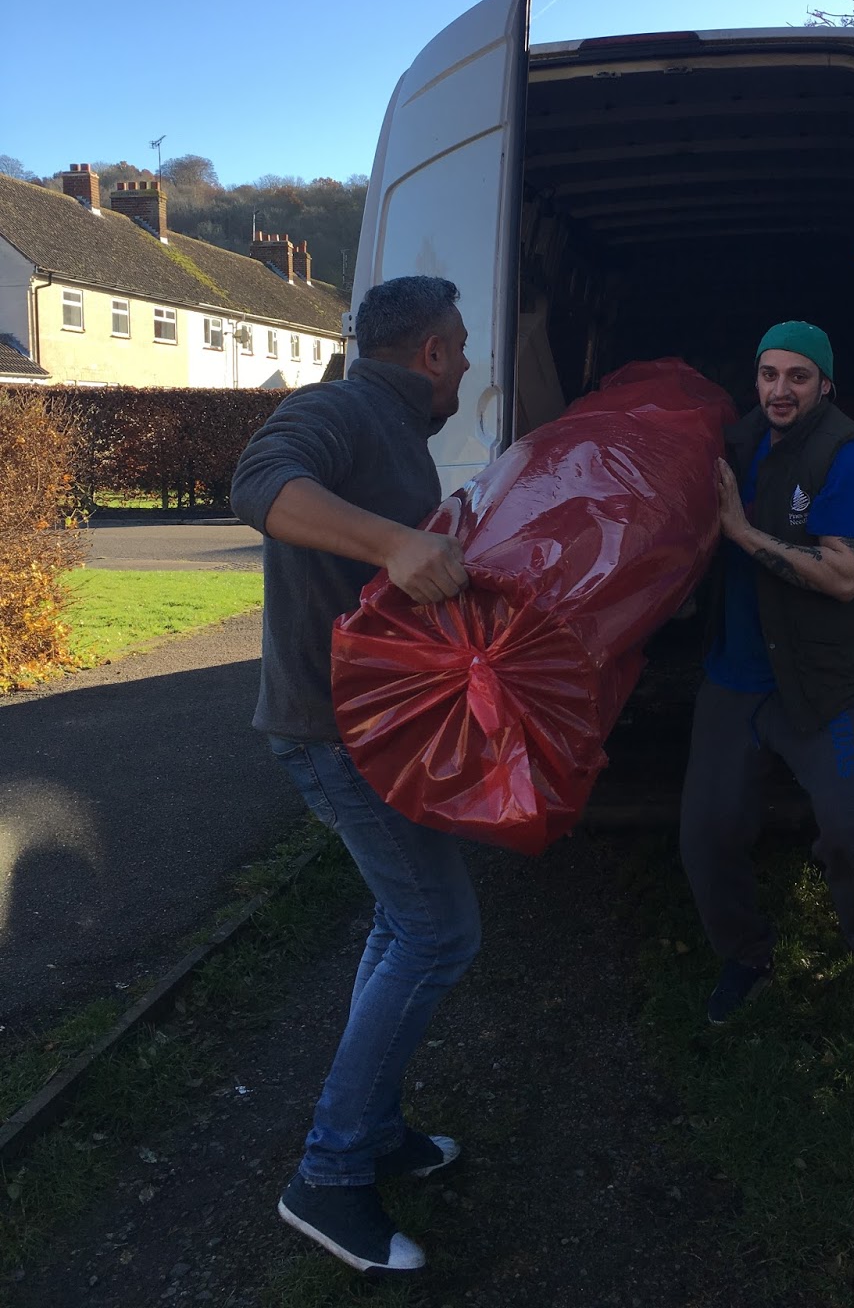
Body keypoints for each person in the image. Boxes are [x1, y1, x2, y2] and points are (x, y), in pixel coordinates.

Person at [230, 276, 478, 1276]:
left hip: (377, 731)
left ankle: (373, 1134)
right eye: (460, 346)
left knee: (400, 922)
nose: (467, 361)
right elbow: (258, 486)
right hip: (328, 733)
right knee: (438, 929)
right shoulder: (331, 406)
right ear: (428, 352)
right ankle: (328, 1176)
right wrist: (396, 542)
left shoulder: (397, 426)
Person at [679, 320, 854, 1046]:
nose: (780, 389)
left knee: (850, 827)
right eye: (768, 374)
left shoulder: (846, 455)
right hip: (736, 675)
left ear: (825, 384)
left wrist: (741, 532)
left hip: (822, 678)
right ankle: (747, 955)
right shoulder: (734, 439)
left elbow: (845, 577)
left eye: (797, 376)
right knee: (705, 832)